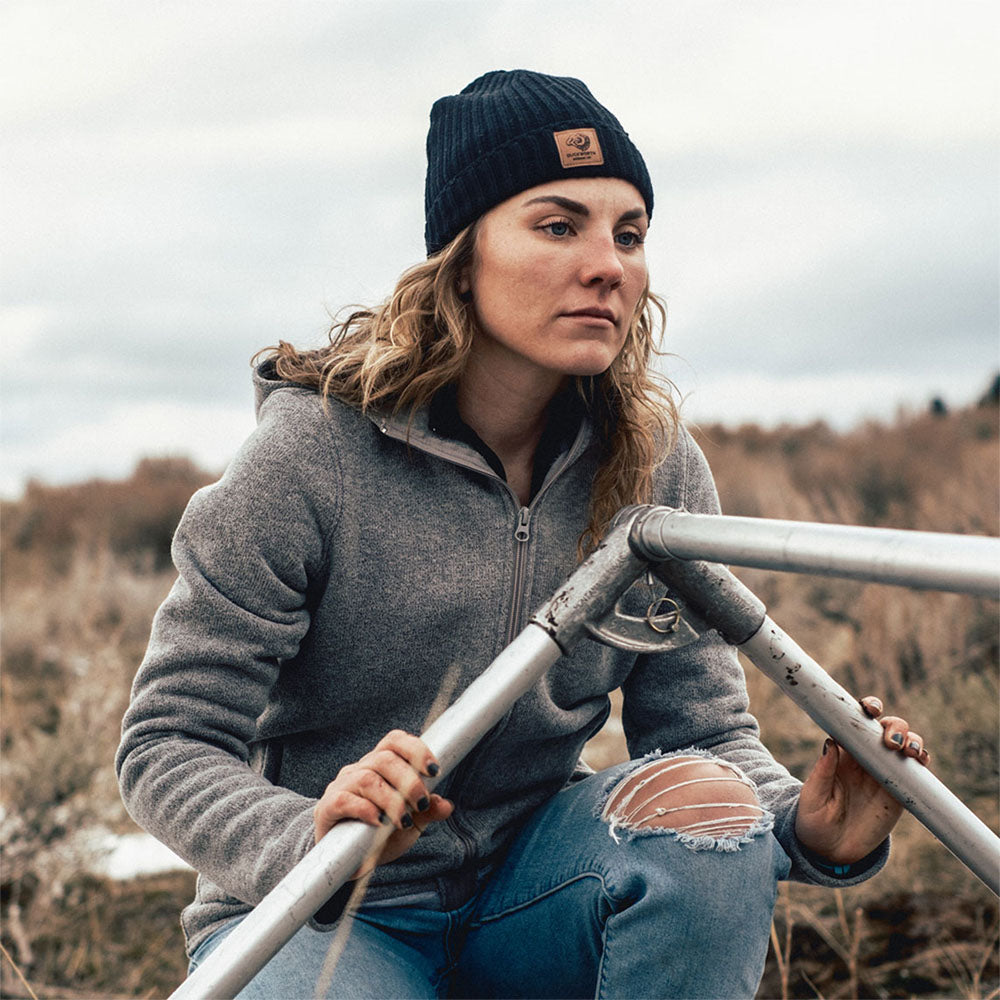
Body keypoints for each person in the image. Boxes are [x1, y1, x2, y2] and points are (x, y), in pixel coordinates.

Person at [116, 69, 929, 999]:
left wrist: (804, 826)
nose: (607, 265)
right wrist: (309, 837)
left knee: (707, 808)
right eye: (557, 226)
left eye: (630, 235)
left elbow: (701, 735)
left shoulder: (655, 469)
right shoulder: (310, 458)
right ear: (460, 259)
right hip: (328, 912)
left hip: (537, 897)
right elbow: (166, 743)